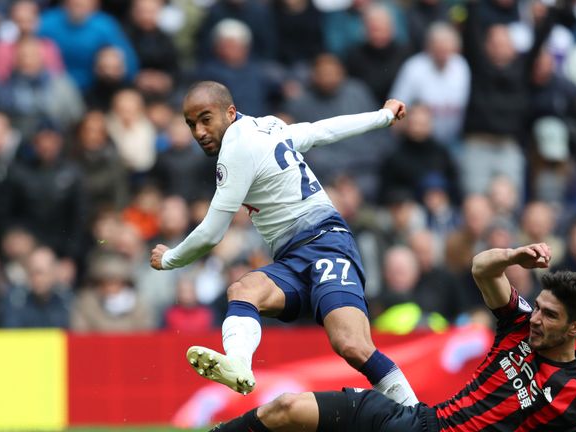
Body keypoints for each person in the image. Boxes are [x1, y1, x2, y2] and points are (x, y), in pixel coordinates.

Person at [149, 81, 417, 405]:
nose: (199, 131)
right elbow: (321, 131)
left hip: (326, 243)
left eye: (206, 119)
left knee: (351, 345)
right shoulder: (268, 126)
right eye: (191, 124)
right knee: (243, 291)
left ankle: (416, 414)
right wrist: (382, 116)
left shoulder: (236, 149)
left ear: (230, 112)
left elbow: (211, 233)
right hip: (291, 257)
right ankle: (238, 365)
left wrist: (169, 258)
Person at [211, 243, 576, 432]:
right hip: (420, 422)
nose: (536, 319)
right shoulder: (518, 323)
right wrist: (513, 255)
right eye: (537, 307)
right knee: (286, 408)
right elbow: (481, 268)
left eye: (549, 315)